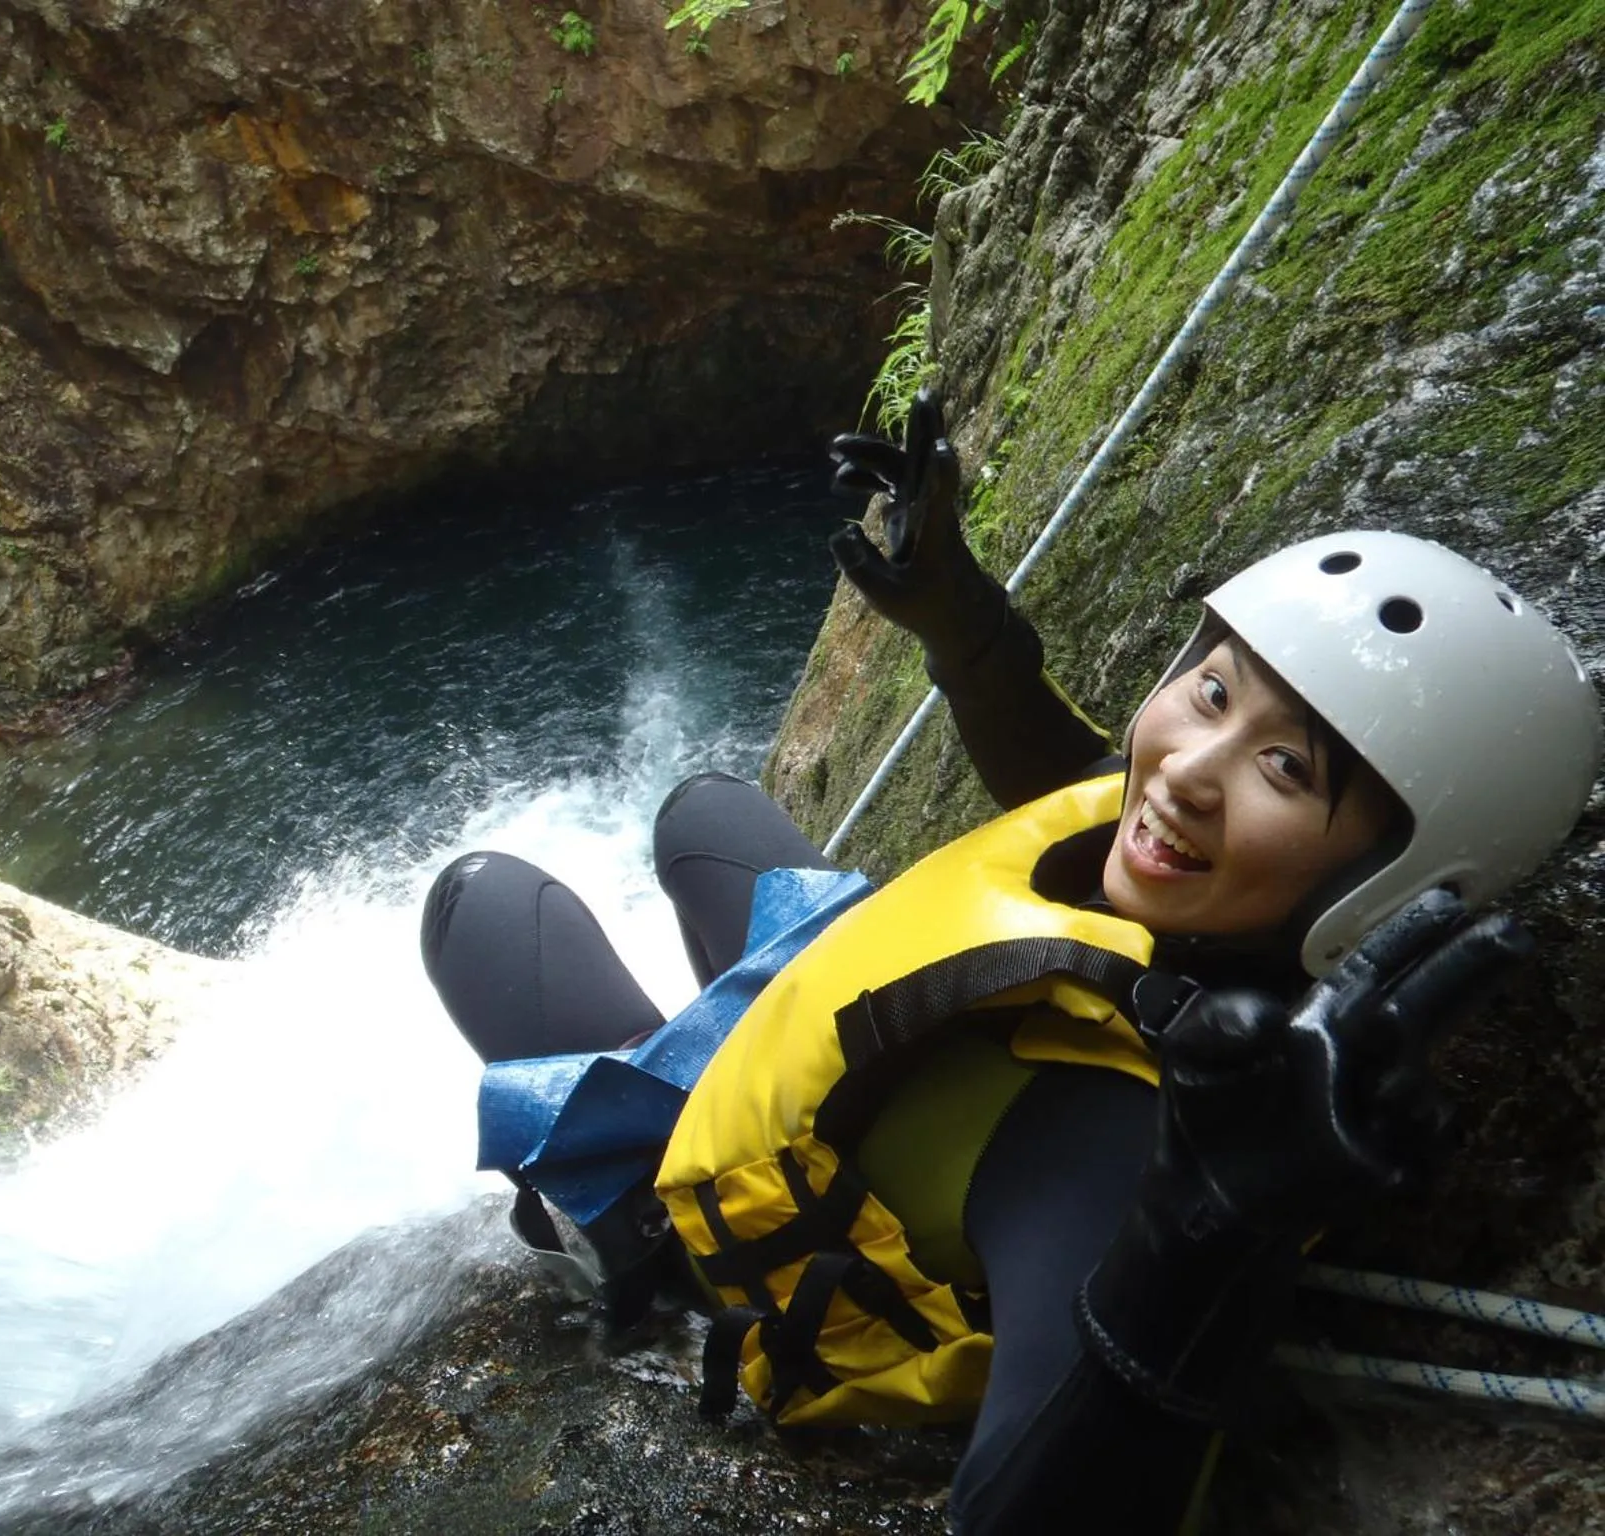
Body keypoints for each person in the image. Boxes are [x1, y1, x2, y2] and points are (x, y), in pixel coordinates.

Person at [420, 393, 1603, 1534]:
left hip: (742, 1221)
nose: (1190, 767)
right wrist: (959, 621)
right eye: (1209, 691)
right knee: (705, 810)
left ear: (1385, 882)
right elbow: (1080, 782)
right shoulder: (1204, 900)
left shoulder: (1111, 1128)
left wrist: (1202, 1234)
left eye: (1286, 770)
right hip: (868, 1034)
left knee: (482, 905)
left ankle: (623, 1226)